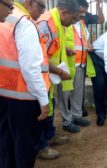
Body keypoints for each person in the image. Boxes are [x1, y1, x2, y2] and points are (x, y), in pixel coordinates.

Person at [0, 0, 50, 166]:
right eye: (41, 6)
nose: (43, 12)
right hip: (24, 99)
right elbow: (30, 69)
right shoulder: (24, 23)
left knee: (5, 146)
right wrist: (44, 101)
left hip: (3, 94)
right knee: (25, 149)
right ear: (29, 3)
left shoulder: (6, 18)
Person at [37, 0, 81, 159]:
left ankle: (50, 136)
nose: (74, 23)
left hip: (49, 78)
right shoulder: (47, 25)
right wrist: (60, 72)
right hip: (41, 78)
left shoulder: (59, 23)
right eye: (74, 18)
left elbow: (53, 47)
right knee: (41, 111)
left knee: (50, 106)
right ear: (64, 12)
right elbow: (39, 58)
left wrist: (66, 49)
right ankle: (41, 146)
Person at [57, 0, 95, 134]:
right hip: (67, 64)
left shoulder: (82, 23)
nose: (82, 14)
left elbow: (85, 39)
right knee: (64, 93)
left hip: (81, 63)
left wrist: (88, 45)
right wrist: (65, 48)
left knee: (78, 93)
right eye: (81, 11)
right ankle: (67, 121)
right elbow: (58, 40)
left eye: (84, 12)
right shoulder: (65, 22)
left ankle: (76, 115)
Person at [80, 0, 105, 117]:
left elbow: (101, 20)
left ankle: (79, 107)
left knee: (80, 82)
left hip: (84, 55)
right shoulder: (67, 15)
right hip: (70, 56)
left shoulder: (86, 16)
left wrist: (99, 6)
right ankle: (74, 108)